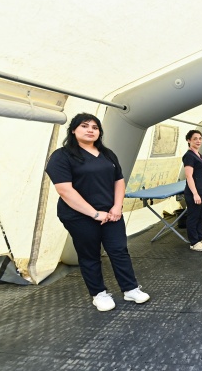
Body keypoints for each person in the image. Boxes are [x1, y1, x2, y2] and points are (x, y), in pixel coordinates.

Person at [45, 113, 149, 312]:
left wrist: (117, 206)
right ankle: (99, 294)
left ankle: (130, 289)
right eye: (84, 126)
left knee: (119, 250)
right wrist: (94, 213)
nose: (90, 130)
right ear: (73, 130)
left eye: (95, 127)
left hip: (111, 214)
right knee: (90, 254)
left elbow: (119, 181)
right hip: (79, 216)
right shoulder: (62, 156)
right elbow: (64, 190)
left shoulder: (107, 154)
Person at [182, 129, 202, 252]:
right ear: (189, 140)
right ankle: (194, 242)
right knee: (193, 217)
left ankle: (200, 238)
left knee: (200, 216)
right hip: (194, 192)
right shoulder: (189, 156)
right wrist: (195, 194)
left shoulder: (199, 155)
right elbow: (189, 176)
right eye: (195, 139)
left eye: (200, 138)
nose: (198, 141)